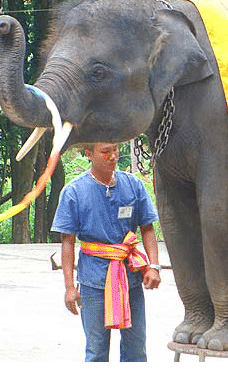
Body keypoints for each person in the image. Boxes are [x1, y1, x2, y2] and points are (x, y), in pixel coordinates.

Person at [51, 142, 161, 362]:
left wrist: (154, 266)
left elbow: (147, 228)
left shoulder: (134, 186)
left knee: (136, 348)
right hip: (94, 282)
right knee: (96, 350)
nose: (113, 156)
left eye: (115, 149)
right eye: (105, 151)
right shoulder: (74, 192)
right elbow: (68, 242)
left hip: (130, 278)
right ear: (89, 154)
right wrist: (70, 288)